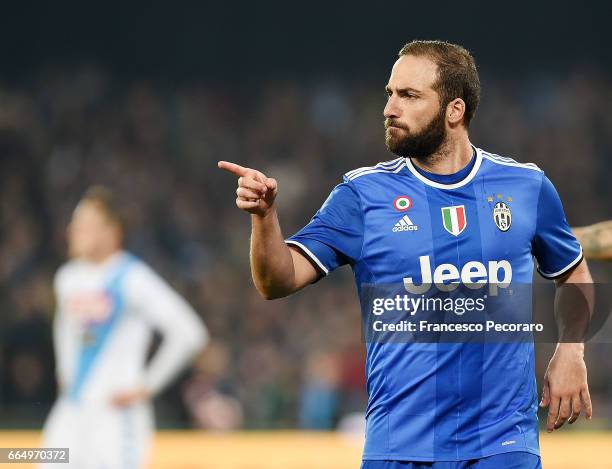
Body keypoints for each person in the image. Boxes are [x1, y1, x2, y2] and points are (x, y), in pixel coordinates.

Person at [219, 40, 594, 468]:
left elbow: (573, 272)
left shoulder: (526, 187)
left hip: (503, 446)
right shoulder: (362, 195)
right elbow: (276, 281)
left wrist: (570, 351)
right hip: (398, 448)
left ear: (455, 110)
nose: (389, 108)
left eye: (409, 96)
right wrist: (265, 217)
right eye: (390, 94)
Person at [40, 186, 208, 469]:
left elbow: (190, 333)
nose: (74, 231)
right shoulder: (67, 278)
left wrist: (146, 386)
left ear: (111, 231)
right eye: (75, 224)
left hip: (117, 420)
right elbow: (64, 329)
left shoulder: (133, 278)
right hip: (71, 413)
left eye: (85, 225)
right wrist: (63, 373)